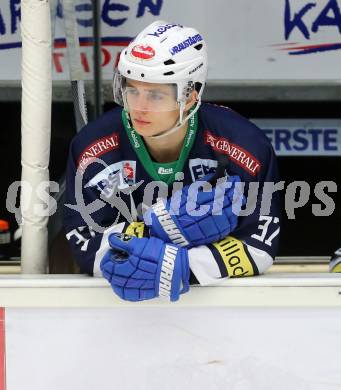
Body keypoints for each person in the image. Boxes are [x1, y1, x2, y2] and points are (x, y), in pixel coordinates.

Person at [64, 21, 282, 302]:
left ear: (190, 96)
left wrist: (181, 268)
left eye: (155, 94)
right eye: (132, 90)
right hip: (118, 313)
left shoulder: (244, 146)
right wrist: (160, 228)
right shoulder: (92, 149)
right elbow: (86, 245)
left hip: (219, 310)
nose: (139, 106)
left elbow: (259, 246)